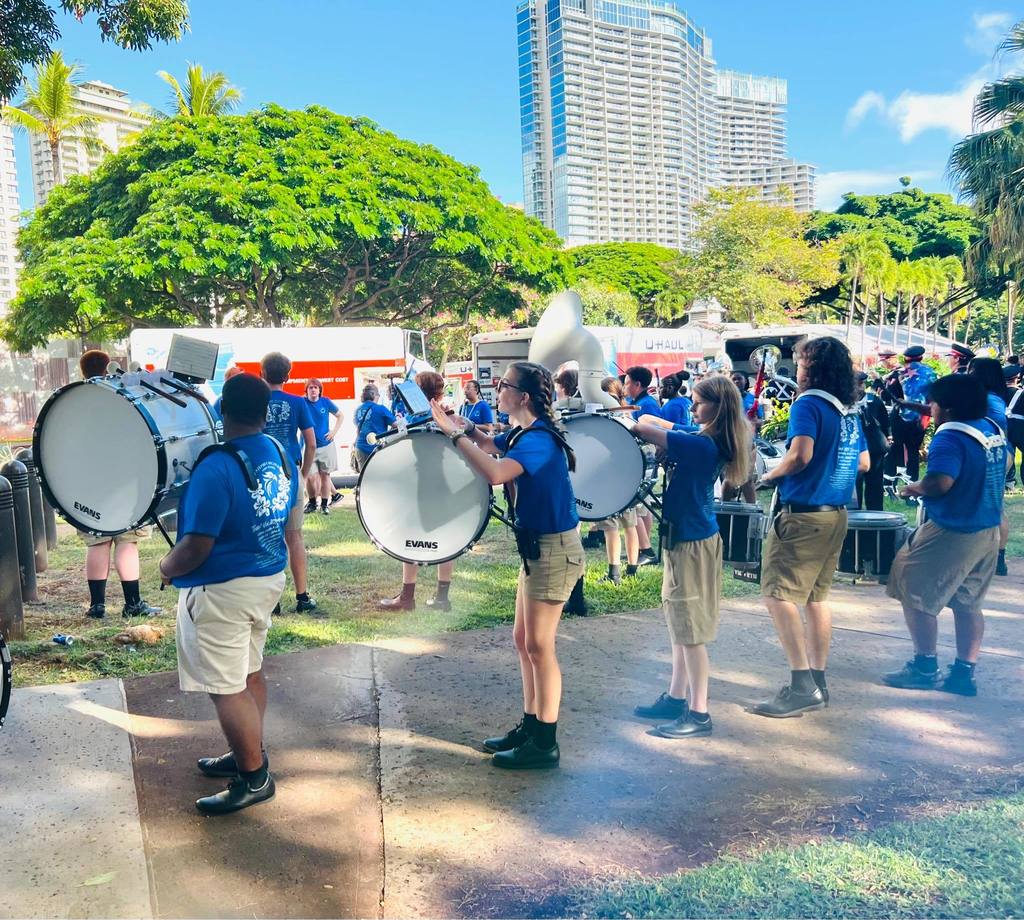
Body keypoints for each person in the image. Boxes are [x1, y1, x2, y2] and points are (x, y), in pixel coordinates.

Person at [430, 361, 583, 769]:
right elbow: (498, 447)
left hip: (552, 550)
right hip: (538, 550)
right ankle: (532, 725)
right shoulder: (524, 433)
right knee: (523, 640)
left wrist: (456, 433)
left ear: (523, 397)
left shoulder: (540, 440)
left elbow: (497, 472)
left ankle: (544, 742)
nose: (496, 390)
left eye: (503, 385)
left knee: (539, 646)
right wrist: (471, 429)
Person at [159, 373, 298, 815]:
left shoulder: (216, 465)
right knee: (250, 671)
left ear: (222, 410)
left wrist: (165, 568)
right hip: (265, 579)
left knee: (226, 687)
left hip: (223, 589)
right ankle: (248, 751)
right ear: (265, 411)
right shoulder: (278, 451)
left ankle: (254, 777)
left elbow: (197, 545)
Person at [752, 337, 869, 718]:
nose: (796, 368)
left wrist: (770, 474)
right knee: (817, 599)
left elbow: (800, 455)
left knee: (777, 595)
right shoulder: (848, 409)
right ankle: (818, 682)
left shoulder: (808, 403)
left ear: (812, 367)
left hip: (803, 516)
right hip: (836, 514)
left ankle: (801, 685)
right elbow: (864, 462)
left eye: (801, 362)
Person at [632, 376, 752, 738]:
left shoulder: (703, 446)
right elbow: (666, 424)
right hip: (687, 538)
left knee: (691, 630)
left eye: (698, 402)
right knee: (680, 622)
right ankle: (675, 696)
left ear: (716, 407)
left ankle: (698, 712)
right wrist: (657, 422)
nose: (692, 407)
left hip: (692, 544)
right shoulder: (708, 436)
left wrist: (641, 422)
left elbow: (644, 427)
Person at [882, 375, 1005, 697]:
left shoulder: (948, 437)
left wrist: (913, 487)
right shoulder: (991, 429)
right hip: (988, 528)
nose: (929, 409)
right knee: (968, 603)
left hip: (953, 530)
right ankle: (964, 674)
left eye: (933, 403)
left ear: (947, 409)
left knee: (913, 589)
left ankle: (924, 667)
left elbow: (941, 483)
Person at [77, 348, 161, 620]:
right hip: (123, 482)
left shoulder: (75, 401)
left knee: (97, 543)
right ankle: (132, 603)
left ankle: (97, 605)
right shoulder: (119, 396)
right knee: (126, 542)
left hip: (89, 482)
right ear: (106, 370)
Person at [379, 371, 458, 611]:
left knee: (410, 536)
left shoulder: (418, 418)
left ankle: (407, 597)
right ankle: (442, 597)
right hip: (445, 483)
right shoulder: (448, 415)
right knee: (446, 538)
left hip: (420, 482)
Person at [260, 352, 317, 614]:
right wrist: (303, 473)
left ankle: (271, 601)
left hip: (262, 471)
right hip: (290, 469)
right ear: (288, 376)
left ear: (262, 373)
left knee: (267, 535)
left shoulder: (256, 400)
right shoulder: (298, 403)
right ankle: (302, 596)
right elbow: (311, 442)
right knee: (294, 535)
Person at [968, 357, 1011, 577]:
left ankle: (996, 558)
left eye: (972, 369)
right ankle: (995, 558)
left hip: (992, 451)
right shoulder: (993, 397)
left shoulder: (990, 400)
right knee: (994, 504)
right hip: (998, 450)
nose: (969, 372)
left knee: (992, 505)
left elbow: (994, 427)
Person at [889, 346, 936, 481]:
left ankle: (893, 478)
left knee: (897, 447)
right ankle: (912, 480)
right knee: (913, 450)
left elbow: (892, 395)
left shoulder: (898, 374)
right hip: (921, 417)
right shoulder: (931, 373)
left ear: (905, 358)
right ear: (921, 357)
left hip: (900, 416)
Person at [303, 378, 343, 515]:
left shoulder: (325, 402)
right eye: (310, 387)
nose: (313, 390)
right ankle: (312, 502)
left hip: (326, 445)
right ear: (306, 390)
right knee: (310, 476)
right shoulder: (302, 403)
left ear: (320, 390)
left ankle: (325, 504)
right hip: (308, 446)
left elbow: (340, 416)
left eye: (316, 387)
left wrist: (334, 432)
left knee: (325, 475)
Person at [855, 371, 891, 511]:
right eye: (856, 384)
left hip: (874, 447)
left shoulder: (874, 401)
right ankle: (854, 513)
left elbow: (884, 421)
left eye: (861, 384)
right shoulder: (843, 402)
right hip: (855, 449)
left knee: (875, 484)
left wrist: (889, 437)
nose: (860, 387)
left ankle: (875, 513)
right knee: (855, 483)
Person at [352, 383, 397, 472]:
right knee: (379, 475)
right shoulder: (380, 408)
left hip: (360, 447)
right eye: (378, 394)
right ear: (374, 395)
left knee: (364, 478)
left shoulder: (357, 410)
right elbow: (396, 425)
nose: (379, 397)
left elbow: (358, 428)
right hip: (376, 448)